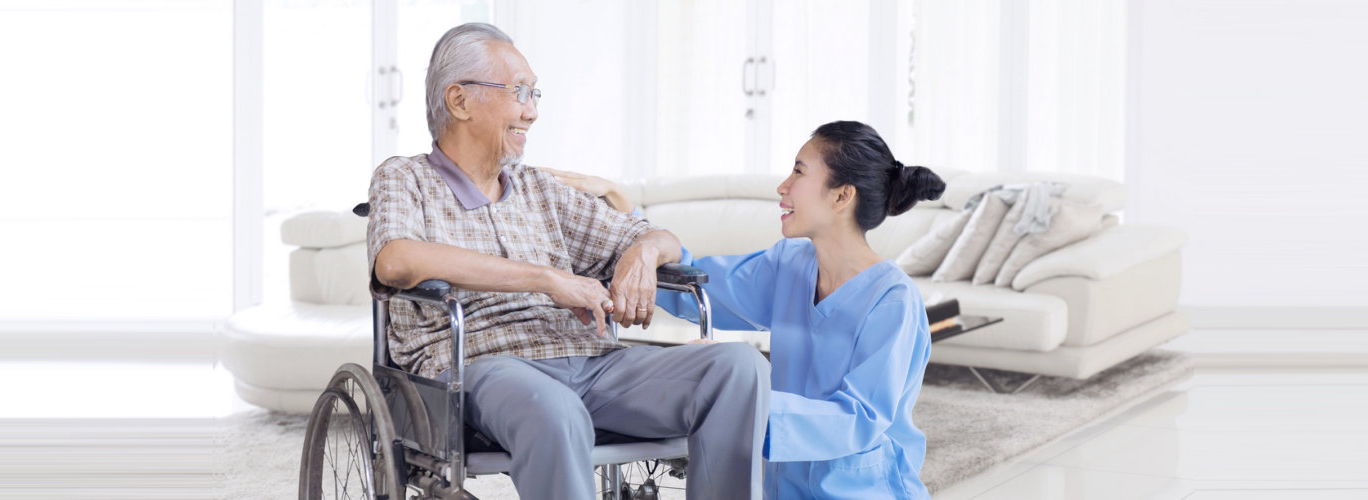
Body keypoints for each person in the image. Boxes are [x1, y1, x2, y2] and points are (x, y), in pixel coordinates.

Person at [365, 23, 768, 500]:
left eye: (534, 93)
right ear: (459, 101)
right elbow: (395, 260)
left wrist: (641, 253)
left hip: (592, 362)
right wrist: (549, 280)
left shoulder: (541, 190)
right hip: (480, 363)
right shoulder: (405, 177)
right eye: (519, 91)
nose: (532, 112)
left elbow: (662, 238)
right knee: (554, 410)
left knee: (740, 368)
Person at [649, 121, 945, 499]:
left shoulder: (893, 300)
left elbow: (858, 418)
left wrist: (741, 392)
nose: (783, 187)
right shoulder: (790, 263)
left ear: (842, 197)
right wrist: (635, 255)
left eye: (799, 171)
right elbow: (705, 291)